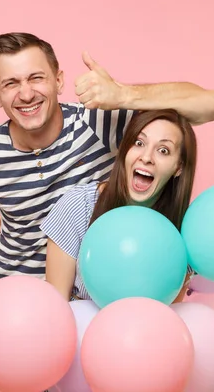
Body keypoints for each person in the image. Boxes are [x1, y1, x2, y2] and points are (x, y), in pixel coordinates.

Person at [0, 32, 214, 283]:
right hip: (15, 297)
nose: (26, 94)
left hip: (89, 295)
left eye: (36, 78)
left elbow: (212, 105)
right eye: (11, 83)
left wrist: (123, 95)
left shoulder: (98, 122)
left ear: (59, 81)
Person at [41, 109, 197, 302]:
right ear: (125, 150)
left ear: (178, 167)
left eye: (163, 150)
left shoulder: (185, 233)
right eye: (139, 143)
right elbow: (57, 307)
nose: (146, 157)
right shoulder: (78, 206)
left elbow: (168, 312)